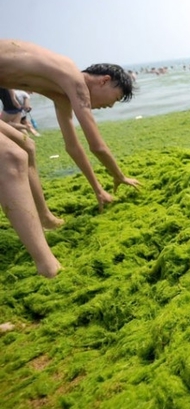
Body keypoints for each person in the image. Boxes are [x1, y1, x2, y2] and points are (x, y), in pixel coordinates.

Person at [0, 39, 140, 277]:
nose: (109, 106)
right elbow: (97, 146)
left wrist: (97, 189)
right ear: (104, 80)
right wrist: (120, 176)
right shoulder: (73, 79)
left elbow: (73, 146)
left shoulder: (60, 89)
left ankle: (45, 218)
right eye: (114, 99)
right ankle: (47, 266)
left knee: (27, 147)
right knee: (12, 157)